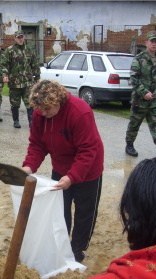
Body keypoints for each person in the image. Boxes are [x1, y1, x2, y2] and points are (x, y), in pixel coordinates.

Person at [22, 80, 104, 263]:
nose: (43, 113)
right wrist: (28, 167)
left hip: (88, 170)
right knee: (59, 210)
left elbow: (88, 149)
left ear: (58, 101)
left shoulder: (79, 112)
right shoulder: (40, 112)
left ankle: (77, 250)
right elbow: (37, 144)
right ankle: (60, 245)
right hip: (60, 168)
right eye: (39, 110)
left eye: (47, 110)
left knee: (85, 212)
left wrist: (73, 176)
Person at [1, 30, 40, 128]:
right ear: (15, 38)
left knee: (30, 102)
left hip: (28, 82)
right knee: (14, 103)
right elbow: (4, 64)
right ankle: (16, 121)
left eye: (22, 37)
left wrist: (37, 77)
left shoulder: (29, 50)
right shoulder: (9, 50)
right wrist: (5, 75)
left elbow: (35, 64)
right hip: (15, 82)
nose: (20, 39)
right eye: (18, 37)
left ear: (24, 37)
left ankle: (31, 122)